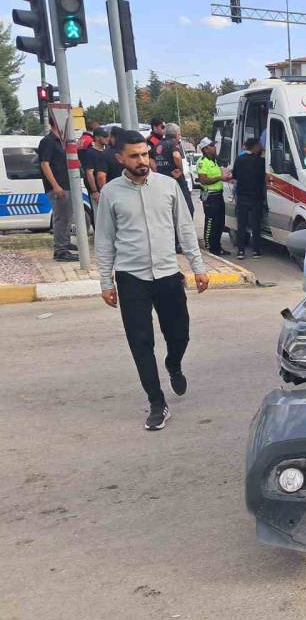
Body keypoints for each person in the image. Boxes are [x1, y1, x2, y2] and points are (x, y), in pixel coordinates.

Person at [95, 130, 210, 431]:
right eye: (134, 156)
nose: (142, 160)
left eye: (145, 154)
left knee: (180, 334)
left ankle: (173, 363)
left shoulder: (168, 186)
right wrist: (106, 282)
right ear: (120, 157)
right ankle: (157, 402)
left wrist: (198, 267)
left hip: (168, 274)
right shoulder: (111, 193)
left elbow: (185, 229)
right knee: (141, 342)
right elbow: (105, 240)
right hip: (132, 277)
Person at [37, 122, 78, 262]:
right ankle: (60, 250)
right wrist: (55, 185)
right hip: (58, 186)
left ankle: (65, 243)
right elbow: (44, 164)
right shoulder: (48, 141)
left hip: (67, 184)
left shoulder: (63, 141)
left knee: (67, 217)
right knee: (61, 218)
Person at [232, 137, 266, 259]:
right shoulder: (261, 162)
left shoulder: (239, 160)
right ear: (255, 146)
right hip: (256, 197)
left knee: (242, 225)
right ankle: (256, 250)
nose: (261, 147)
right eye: (259, 145)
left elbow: (234, 175)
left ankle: (241, 251)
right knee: (256, 224)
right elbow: (264, 178)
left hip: (242, 196)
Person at [196, 136, 231, 256]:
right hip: (210, 196)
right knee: (211, 221)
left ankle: (217, 246)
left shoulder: (214, 161)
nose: (214, 147)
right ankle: (209, 246)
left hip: (218, 195)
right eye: (211, 146)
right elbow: (203, 180)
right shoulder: (202, 162)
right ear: (205, 149)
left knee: (220, 223)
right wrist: (220, 177)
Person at [81, 126, 109, 206]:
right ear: (96, 138)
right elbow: (89, 173)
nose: (107, 138)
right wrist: (94, 191)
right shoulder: (90, 153)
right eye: (104, 136)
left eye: (107, 136)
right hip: (97, 190)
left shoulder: (107, 151)